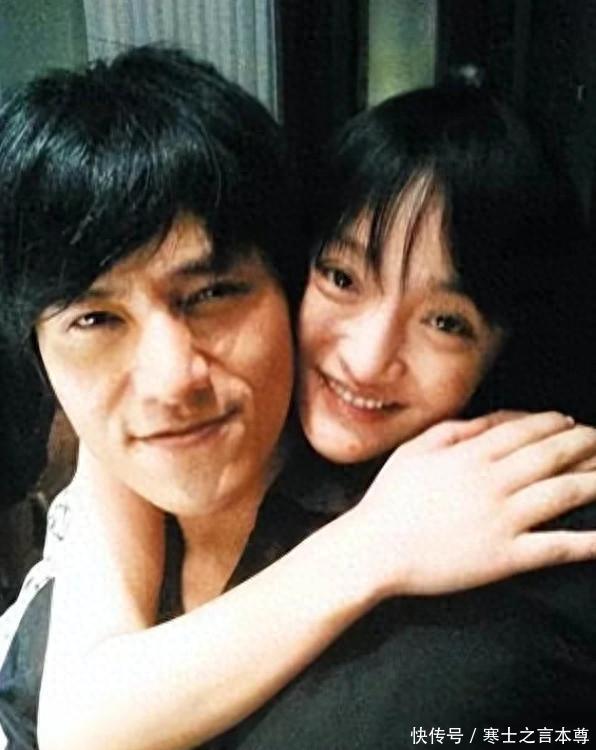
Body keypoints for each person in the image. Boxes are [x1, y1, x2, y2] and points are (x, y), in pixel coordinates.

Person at [0, 47, 595, 750]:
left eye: (212, 293)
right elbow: (81, 726)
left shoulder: (517, 559)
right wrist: (378, 541)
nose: (366, 361)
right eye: (342, 278)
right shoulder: (118, 471)